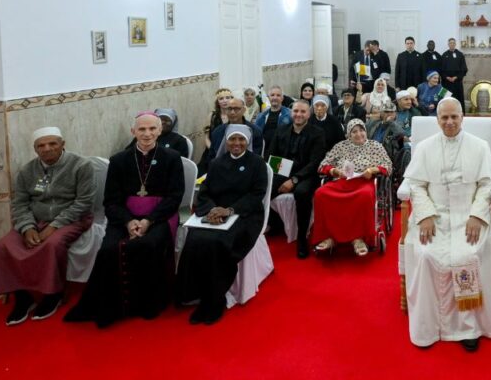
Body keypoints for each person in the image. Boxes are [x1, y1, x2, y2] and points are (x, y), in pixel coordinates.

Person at [64, 113, 184, 328]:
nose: (147, 134)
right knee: (109, 249)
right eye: (141, 129)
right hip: (124, 216)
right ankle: (113, 306)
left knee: (147, 244)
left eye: (152, 129)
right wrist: (129, 222)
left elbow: (175, 197)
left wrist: (148, 221)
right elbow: (111, 199)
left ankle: (148, 304)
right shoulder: (119, 159)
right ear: (133, 132)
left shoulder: (172, 157)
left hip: (161, 216)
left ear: (159, 131)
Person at [402, 98, 491, 351]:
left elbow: (487, 184)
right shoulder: (425, 148)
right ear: (437, 120)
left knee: (466, 256)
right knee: (425, 255)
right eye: (444, 118)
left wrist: (478, 216)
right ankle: (428, 327)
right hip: (434, 218)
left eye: (454, 117)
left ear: (462, 117)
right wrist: (423, 215)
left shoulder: (479, 147)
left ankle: (468, 328)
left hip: (468, 217)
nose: (449, 122)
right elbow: (416, 184)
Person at [0, 127, 95, 325]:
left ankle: (53, 295)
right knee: (3, 246)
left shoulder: (81, 166)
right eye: (41, 145)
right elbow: (20, 203)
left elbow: (84, 202)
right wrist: (27, 227)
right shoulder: (27, 170)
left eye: (52, 144)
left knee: (51, 245)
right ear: (35, 149)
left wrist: (55, 226)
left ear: (62, 144)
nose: (47, 149)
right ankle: (23, 297)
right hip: (35, 221)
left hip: (73, 218)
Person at [176, 125, 267, 325]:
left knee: (218, 243)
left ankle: (214, 300)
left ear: (248, 141)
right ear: (226, 141)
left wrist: (230, 211)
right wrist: (211, 209)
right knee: (194, 239)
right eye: (232, 139)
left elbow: (257, 195)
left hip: (245, 215)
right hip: (214, 213)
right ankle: (192, 292)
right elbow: (205, 191)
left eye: (241, 140)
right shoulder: (217, 163)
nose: (237, 144)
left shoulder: (257, 163)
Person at [314, 118, 392, 257]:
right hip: (341, 181)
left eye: (361, 130)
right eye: (354, 131)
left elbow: (388, 166)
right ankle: (329, 237)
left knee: (364, 196)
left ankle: (359, 239)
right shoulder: (340, 146)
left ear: (366, 131)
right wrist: (335, 171)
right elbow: (322, 165)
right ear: (348, 135)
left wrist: (372, 170)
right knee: (321, 193)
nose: (359, 134)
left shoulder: (375, 146)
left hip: (364, 181)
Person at [264, 99, 326, 258]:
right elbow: (272, 156)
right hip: (283, 169)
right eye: (296, 111)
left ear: (309, 114)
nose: (298, 114)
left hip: (307, 174)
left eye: (302, 111)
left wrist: (294, 180)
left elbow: (315, 163)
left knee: (302, 193)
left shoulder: (317, 133)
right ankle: (275, 224)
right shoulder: (281, 130)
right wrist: (281, 175)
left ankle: (302, 238)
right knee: (263, 187)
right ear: (291, 113)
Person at [125, 108, 190, 159]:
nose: (163, 122)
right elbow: (128, 152)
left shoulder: (179, 140)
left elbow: (181, 162)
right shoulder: (144, 137)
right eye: (161, 119)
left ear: (173, 122)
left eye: (167, 120)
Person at [202, 88, 234, 157]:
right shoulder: (211, 116)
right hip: (213, 151)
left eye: (227, 98)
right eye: (221, 98)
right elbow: (206, 138)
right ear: (217, 102)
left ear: (232, 100)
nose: (224, 101)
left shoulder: (235, 116)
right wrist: (213, 150)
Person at [441, 38, 468, 109]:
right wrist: (447, 77)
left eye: (453, 43)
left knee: (458, 100)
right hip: (446, 83)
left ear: (455, 44)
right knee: (445, 99)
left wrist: (456, 77)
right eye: (450, 43)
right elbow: (441, 70)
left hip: (457, 82)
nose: (452, 44)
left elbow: (464, 69)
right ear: (448, 44)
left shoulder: (460, 55)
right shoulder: (444, 55)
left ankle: (460, 115)